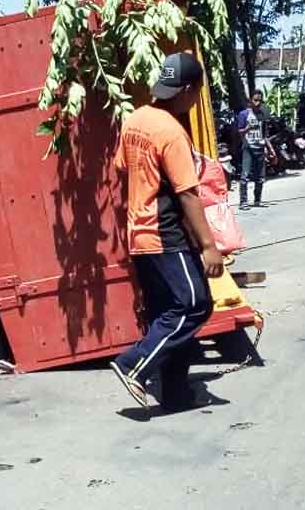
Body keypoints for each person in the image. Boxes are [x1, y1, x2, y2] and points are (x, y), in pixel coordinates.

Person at [111, 52, 223, 412]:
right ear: (189, 91)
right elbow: (187, 192)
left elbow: (120, 172)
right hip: (166, 233)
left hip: (140, 234)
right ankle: (134, 365)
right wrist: (209, 246)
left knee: (167, 314)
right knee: (194, 305)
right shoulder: (171, 132)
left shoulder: (135, 120)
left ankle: (175, 394)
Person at [237, 90, 269, 210]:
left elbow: (265, 134)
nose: (257, 103)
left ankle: (257, 200)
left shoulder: (263, 114)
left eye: (260, 101)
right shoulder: (244, 114)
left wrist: (269, 150)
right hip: (248, 148)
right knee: (245, 176)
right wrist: (248, 128)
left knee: (260, 177)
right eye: (255, 100)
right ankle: (243, 202)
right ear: (250, 100)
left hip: (260, 148)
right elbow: (239, 131)